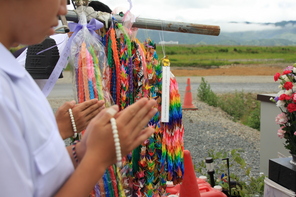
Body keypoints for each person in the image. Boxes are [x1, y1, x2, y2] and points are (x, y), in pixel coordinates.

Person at [0, 1, 157, 197]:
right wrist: (97, 158)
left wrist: (82, 149)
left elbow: (30, 168)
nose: (63, 10)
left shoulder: (11, 73)